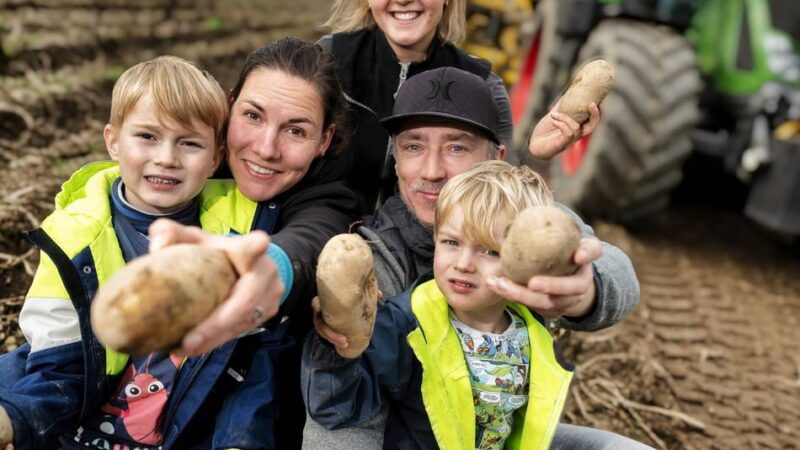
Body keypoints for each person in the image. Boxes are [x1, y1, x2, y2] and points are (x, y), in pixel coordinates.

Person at [302, 67, 648, 449]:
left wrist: (585, 290)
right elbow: (338, 412)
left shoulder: (520, 221)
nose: (432, 171)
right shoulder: (373, 258)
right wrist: (334, 348)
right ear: (395, 159)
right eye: (414, 146)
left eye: (457, 147)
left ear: (496, 158)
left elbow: (616, 272)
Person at [0, 56, 286, 450]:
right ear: (113, 141)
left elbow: (250, 364)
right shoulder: (74, 238)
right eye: (147, 137)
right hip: (82, 434)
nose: (167, 157)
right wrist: (15, 418)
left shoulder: (242, 232)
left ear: (216, 157)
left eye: (189, 143)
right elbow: (58, 363)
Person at [303, 159, 588, 449]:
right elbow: (338, 406)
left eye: (489, 251)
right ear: (435, 239)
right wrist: (336, 344)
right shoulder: (407, 326)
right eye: (452, 243)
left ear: (523, 261)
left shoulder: (531, 331)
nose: (463, 264)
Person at [319, 0, 600, 212]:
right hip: (326, 250)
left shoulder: (482, 84)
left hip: (430, 263)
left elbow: (502, 195)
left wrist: (535, 153)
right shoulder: (326, 61)